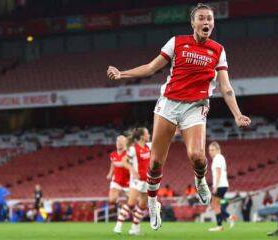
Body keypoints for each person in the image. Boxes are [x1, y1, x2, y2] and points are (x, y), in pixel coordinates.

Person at [107, 3, 251, 230]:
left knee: (197, 156)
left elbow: (226, 87)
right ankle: (153, 203)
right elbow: (151, 67)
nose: (206, 22)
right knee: (155, 163)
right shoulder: (177, 42)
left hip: (196, 107)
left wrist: (238, 114)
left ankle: (200, 180)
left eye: (210, 19)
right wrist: (122, 73)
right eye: (201, 18)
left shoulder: (218, 50)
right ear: (193, 23)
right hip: (169, 105)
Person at [114, 128, 151, 235]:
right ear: (142, 136)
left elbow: (163, 141)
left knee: (143, 205)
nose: (149, 135)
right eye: (147, 133)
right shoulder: (133, 149)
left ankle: (134, 228)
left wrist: (174, 132)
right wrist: (133, 171)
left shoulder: (149, 146)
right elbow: (124, 161)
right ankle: (118, 226)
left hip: (147, 180)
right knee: (131, 203)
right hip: (136, 181)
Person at [208, 141, 236, 231]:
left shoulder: (218, 158)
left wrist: (215, 186)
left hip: (220, 185)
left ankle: (228, 218)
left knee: (214, 205)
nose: (210, 152)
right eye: (209, 150)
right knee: (216, 205)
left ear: (218, 150)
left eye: (212, 150)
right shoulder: (219, 158)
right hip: (223, 185)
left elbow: (218, 172)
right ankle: (221, 225)